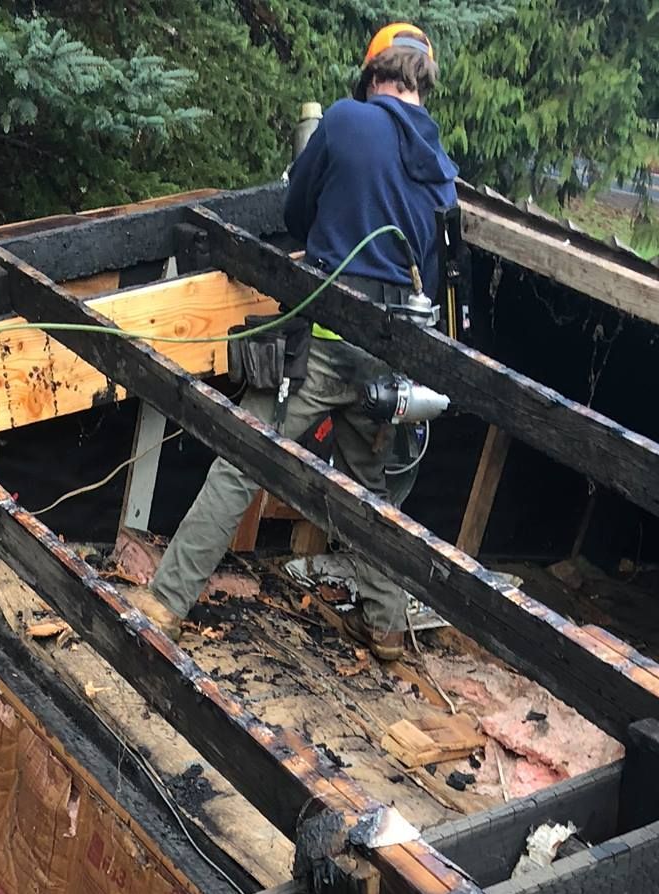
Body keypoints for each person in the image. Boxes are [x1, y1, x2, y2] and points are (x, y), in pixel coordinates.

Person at [137, 23, 457, 660]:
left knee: (241, 460)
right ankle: (387, 627)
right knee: (370, 493)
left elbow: (294, 213)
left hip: (326, 341)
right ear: (423, 79)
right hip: (386, 359)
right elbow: (431, 259)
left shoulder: (344, 120)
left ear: (372, 76)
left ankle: (164, 602)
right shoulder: (441, 164)